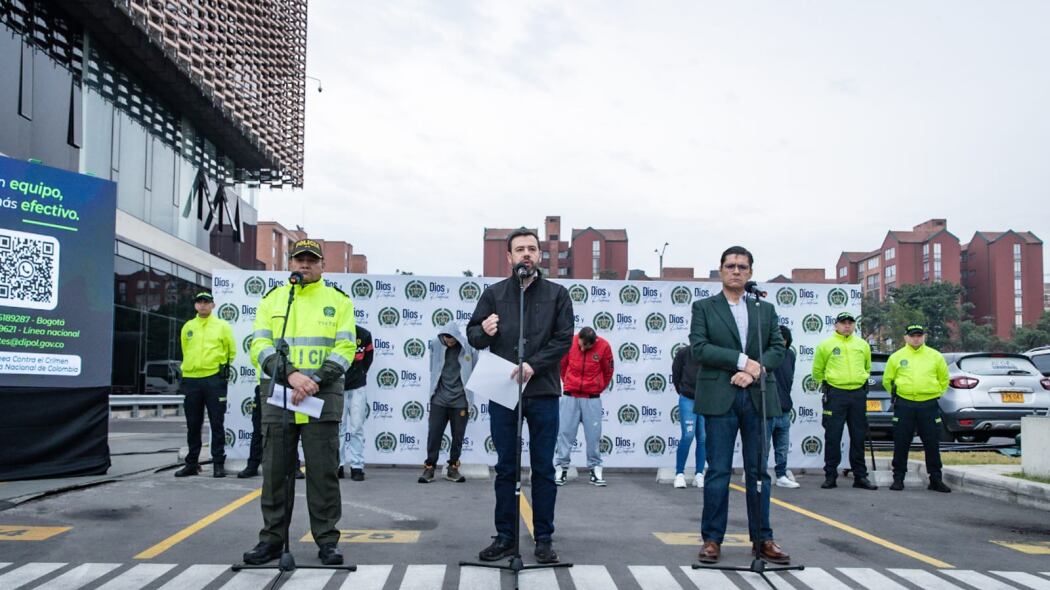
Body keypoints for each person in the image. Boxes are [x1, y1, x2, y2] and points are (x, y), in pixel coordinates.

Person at [242, 239, 356, 567]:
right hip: (281, 395)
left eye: (311, 260)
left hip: (321, 395)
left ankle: (327, 541)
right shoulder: (274, 299)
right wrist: (291, 375)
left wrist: (315, 380)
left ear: (322, 266)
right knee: (276, 473)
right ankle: (272, 540)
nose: (304, 265)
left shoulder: (339, 302)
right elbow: (259, 344)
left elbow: (346, 348)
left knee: (323, 474)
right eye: (299, 260)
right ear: (290, 264)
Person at [467, 228, 573, 565]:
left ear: (539, 255)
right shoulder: (494, 294)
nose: (526, 254)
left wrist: (534, 365)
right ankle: (505, 537)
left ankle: (543, 538)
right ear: (509, 257)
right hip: (503, 391)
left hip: (542, 391)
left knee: (543, 467)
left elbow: (563, 339)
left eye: (532, 249)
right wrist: (483, 331)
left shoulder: (558, 295)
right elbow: (472, 334)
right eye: (519, 249)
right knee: (506, 467)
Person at [690, 246, 789, 565]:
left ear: (750, 272)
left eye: (742, 267)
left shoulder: (764, 309)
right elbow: (700, 348)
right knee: (718, 470)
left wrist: (755, 370)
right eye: (730, 266)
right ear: (720, 271)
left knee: (759, 471)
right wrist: (742, 362)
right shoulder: (704, 307)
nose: (736, 271)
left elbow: (777, 347)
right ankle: (712, 539)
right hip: (720, 397)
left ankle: (763, 539)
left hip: (758, 397)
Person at [882, 324, 951, 493]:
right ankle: (898, 478)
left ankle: (935, 479)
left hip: (928, 404)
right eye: (912, 335)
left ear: (924, 337)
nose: (916, 338)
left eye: (919, 335)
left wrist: (934, 393)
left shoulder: (935, 356)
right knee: (901, 442)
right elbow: (887, 380)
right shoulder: (896, 357)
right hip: (904, 404)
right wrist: (899, 395)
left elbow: (944, 379)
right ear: (906, 337)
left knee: (931, 443)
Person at [812, 311, 876, 490]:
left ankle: (860, 476)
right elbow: (817, 371)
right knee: (833, 436)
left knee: (858, 436)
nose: (847, 325)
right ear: (836, 325)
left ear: (854, 325)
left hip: (857, 394)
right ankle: (830, 476)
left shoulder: (862, 344)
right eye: (843, 323)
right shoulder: (826, 345)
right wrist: (832, 384)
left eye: (850, 322)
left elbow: (867, 367)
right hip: (836, 395)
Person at [176, 291, 235, 478]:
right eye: (199, 302)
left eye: (206, 302)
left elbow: (230, 351)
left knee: (217, 423)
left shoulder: (222, 326)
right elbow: (185, 349)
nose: (202, 305)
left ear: (213, 305)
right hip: (192, 379)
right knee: (193, 424)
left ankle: (218, 464)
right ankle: (191, 463)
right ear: (195, 305)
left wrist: (218, 370)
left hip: (213, 379)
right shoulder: (188, 326)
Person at [554, 327, 614, 487]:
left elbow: (608, 371)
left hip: (592, 398)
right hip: (570, 396)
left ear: (593, 343)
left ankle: (595, 469)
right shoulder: (570, 342)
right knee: (565, 433)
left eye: (586, 347)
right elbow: (562, 365)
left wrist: (597, 387)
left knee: (593, 436)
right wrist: (569, 383)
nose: (582, 348)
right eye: (580, 345)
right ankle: (561, 468)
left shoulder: (604, 346)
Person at [420, 322, 479, 483]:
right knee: (434, 435)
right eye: (446, 338)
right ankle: (429, 468)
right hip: (439, 399)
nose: (449, 341)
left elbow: (475, 367)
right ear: (442, 336)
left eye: (452, 338)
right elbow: (433, 368)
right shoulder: (435, 344)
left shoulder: (468, 347)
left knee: (458, 437)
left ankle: (453, 468)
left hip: (460, 400)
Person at [339, 326, 374, 481]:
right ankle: (337, 466)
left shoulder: (364, 334)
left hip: (358, 388)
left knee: (357, 427)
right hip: (338, 386)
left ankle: (357, 467)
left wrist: (360, 374)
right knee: (338, 428)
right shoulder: (335, 333)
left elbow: (368, 358)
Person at [671, 343, 706, 489]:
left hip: (706, 399)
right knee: (688, 435)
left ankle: (699, 474)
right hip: (687, 398)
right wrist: (684, 391)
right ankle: (679, 474)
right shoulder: (683, 353)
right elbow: (676, 375)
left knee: (703, 437)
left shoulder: (709, 353)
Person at [770, 326, 799, 488]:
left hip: (785, 408)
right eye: (778, 338)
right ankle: (759, 475)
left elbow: (789, 379)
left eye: (784, 338)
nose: (781, 341)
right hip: (768, 409)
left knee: (782, 447)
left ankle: (781, 475)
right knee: (763, 446)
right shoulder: (765, 356)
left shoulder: (790, 355)